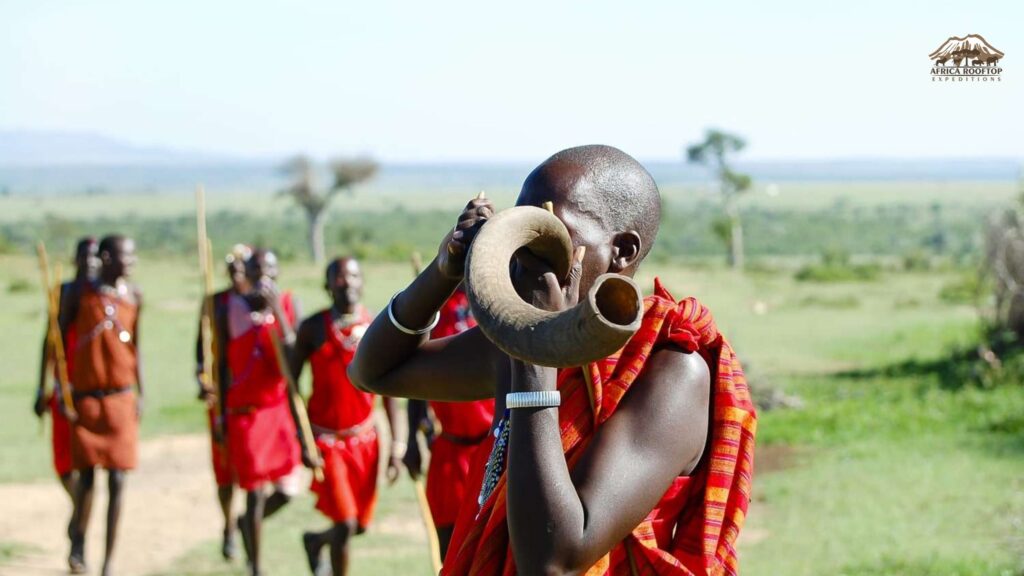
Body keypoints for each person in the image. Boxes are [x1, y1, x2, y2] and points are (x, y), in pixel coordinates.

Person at [349, 145, 756, 575]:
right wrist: (443, 270)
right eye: (520, 227)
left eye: (549, 231)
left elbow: (554, 560)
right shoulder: (516, 346)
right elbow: (374, 371)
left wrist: (534, 352)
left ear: (622, 251)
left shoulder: (672, 370)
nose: (523, 252)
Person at [289, 256, 403, 576]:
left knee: (359, 526)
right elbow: (291, 385)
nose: (347, 283)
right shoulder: (312, 329)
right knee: (345, 522)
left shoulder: (377, 327)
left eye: (353, 276)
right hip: (326, 440)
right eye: (339, 278)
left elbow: (390, 388)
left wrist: (397, 446)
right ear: (327, 286)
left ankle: (314, 541)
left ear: (362, 282)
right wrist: (302, 438)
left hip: (366, 441)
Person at [223, 248, 303, 576]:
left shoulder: (287, 303)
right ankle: (255, 566)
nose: (263, 276)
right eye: (257, 269)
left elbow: (292, 353)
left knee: (286, 491)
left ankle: (244, 524)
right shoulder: (229, 306)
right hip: (246, 412)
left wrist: (276, 312)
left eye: (270, 269)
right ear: (248, 273)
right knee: (254, 493)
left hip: (277, 409)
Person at [68, 234, 143, 576]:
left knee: (118, 481)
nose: (131, 261)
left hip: (122, 398)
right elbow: (55, 339)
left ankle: (110, 561)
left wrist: (141, 392)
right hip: (86, 400)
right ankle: (78, 543)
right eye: (126, 256)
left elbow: (135, 349)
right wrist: (58, 389)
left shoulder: (135, 296)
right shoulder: (79, 294)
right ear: (108, 257)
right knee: (86, 480)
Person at [403, 286, 495, 559]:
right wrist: (412, 439)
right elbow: (416, 378)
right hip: (449, 451)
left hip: (495, 449)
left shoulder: (499, 300)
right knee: (450, 549)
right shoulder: (431, 311)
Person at [194, 244, 252, 561]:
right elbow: (200, 353)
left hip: (252, 400)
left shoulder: (258, 305)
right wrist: (203, 381)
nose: (236, 273)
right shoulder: (215, 303)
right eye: (231, 267)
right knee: (225, 469)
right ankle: (228, 524)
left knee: (254, 473)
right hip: (223, 398)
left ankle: (247, 524)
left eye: (242, 266)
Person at [34, 237, 99, 501]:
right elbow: (49, 343)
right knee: (63, 461)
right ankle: (79, 508)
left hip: (93, 391)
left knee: (88, 461)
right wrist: (42, 387)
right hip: (65, 389)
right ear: (75, 260)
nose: (90, 262)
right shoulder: (63, 292)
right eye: (85, 256)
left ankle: (82, 516)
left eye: (95, 256)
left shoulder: (103, 297)